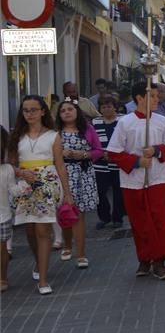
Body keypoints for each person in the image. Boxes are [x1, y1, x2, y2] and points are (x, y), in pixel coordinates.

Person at [106, 82, 165, 280]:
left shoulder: (162, 121)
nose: (157, 99)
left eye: (157, 96)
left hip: (158, 178)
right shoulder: (125, 122)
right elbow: (114, 152)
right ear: (139, 98)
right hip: (133, 180)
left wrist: (156, 150)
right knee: (140, 222)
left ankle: (160, 261)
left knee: (159, 220)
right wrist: (137, 161)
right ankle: (145, 259)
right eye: (152, 96)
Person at [8, 95, 74, 295]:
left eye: (34, 110)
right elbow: (11, 164)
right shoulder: (16, 136)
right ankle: (39, 261)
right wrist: (20, 173)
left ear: (43, 111)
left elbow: (61, 166)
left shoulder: (53, 136)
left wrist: (67, 193)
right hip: (24, 184)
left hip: (47, 183)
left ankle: (43, 280)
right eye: (26, 110)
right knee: (30, 231)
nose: (29, 114)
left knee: (43, 231)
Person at [55, 99, 102, 268]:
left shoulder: (87, 129)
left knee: (79, 214)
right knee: (64, 210)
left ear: (77, 111)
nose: (67, 112)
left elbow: (98, 151)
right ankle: (67, 245)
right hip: (62, 174)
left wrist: (82, 154)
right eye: (63, 110)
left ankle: (81, 254)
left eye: (70, 109)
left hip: (83, 173)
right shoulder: (56, 133)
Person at [92, 96, 126, 229]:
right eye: (103, 107)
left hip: (118, 161)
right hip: (100, 162)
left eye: (109, 106)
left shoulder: (122, 120)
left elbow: (126, 139)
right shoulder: (95, 122)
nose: (106, 109)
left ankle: (118, 218)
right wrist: (102, 153)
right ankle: (104, 217)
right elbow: (92, 141)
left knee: (118, 191)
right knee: (100, 191)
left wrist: (114, 154)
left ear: (115, 107)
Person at [1, 127, 13, 292]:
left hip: (3, 216)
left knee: (2, 248)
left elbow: (14, 190)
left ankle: (2, 276)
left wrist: (26, 182)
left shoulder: (7, 169)